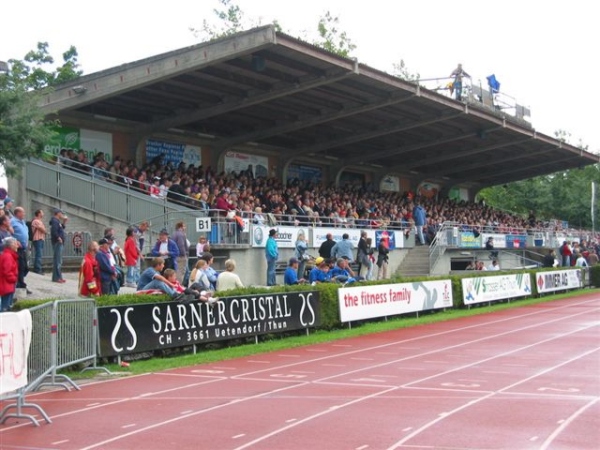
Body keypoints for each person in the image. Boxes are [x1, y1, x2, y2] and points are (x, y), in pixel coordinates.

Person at [10, 207, 31, 294]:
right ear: (17, 213)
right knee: (21, 267)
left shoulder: (22, 222)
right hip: (16, 248)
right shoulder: (12, 222)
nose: (24, 214)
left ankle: (20, 283)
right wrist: (15, 240)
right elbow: (9, 233)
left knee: (25, 267)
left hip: (23, 248)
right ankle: (20, 285)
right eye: (22, 212)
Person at [0, 237, 19, 312]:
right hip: (6, 285)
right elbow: (7, 272)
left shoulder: (8, 255)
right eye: (15, 244)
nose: (17, 245)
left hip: (8, 285)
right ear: (11, 245)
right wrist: (14, 279)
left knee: (6, 307)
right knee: (5, 308)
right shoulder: (8, 256)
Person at [50, 208, 68, 283]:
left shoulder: (57, 221)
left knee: (59, 260)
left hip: (59, 242)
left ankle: (59, 276)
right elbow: (54, 231)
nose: (62, 215)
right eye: (61, 213)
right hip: (57, 242)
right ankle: (56, 278)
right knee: (57, 260)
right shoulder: (54, 221)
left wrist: (64, 222)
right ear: (58, 213)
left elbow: (61, 228)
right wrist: (58, 238)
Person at [31, 209, 46, 275]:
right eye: (42, 212)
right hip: (37, 239)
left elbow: (44, 230)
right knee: (38, 254)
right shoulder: (36, 221)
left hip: (41, 239)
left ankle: (37, 268)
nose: (43, 213)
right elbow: (43, 230)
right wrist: (43, 229)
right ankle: (37, 269)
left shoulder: (40, 221)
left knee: (39, 254)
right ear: (39, 213)